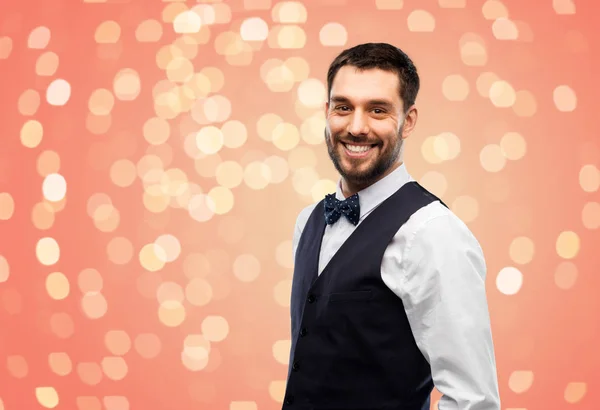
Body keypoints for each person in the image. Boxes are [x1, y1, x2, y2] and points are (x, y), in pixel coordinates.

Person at [283, 43, 501, 410]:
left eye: (378, 110)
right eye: (343, 107)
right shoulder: (309, 220)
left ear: (408, 121)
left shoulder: (432, 233)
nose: (356, 127)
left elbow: (472, 400)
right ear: (326, 113)